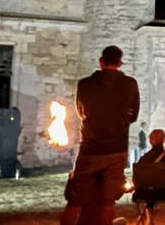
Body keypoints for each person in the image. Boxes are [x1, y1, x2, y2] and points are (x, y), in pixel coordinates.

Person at [61, 45, 140, 225]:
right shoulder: (130, 84)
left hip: (91, 147)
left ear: (101, 61)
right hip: (116, 148)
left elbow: (81, 113)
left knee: (75, 199)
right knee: (108, 200)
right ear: (120, 63)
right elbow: (133, 115)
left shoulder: (85, 84)